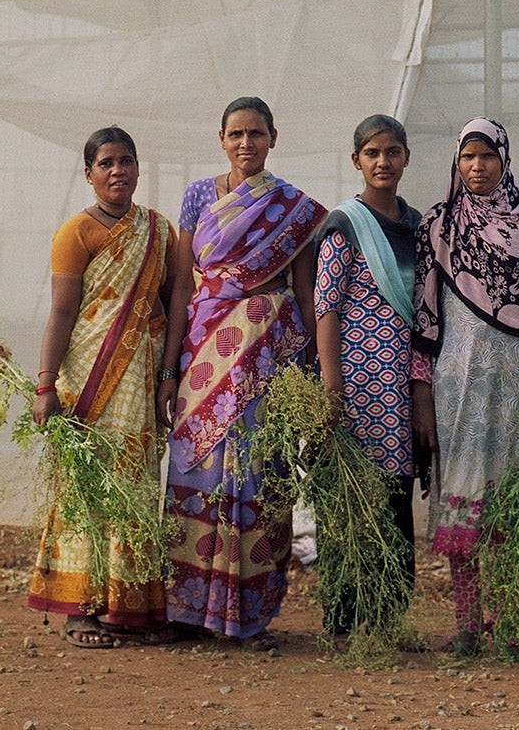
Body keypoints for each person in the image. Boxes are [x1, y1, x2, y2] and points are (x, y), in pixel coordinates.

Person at [155, 96, 327, 650]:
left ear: (273, 138)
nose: (246, 143)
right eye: (236, 134)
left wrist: (310, 374)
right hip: (203, 352)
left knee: (257, 475)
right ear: (221, 138)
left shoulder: (292, 210)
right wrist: (169, 366)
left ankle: (249, 616)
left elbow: (303, 295)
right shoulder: (197, 197)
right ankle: (186, 608)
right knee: (198, 473)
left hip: (266, 357)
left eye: (256, 133)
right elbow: (183, 284)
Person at [27, 126, 178, 648]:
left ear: (139, 169)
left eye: (127, 161)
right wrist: (45, 385)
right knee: (85, 490)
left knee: (135, 489)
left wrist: (167, 377)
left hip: (139, 379)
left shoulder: (160, 232)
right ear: (88, 173)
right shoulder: (75, 233)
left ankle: (131, 612)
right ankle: (79, 611)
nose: (118, 171)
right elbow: (63, 312)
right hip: (87, 379)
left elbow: (169, 306)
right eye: (107, 163)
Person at [412, 117, 519, 655]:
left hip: (516, 382)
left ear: (505, 160)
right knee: (464, 497)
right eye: (467, 157)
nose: (477, 167)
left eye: (487, 157)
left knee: (511, 503)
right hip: (457, 382)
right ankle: (468, 623)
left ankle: (513, 625)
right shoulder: (440, 224)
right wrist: (421, 392)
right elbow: (424, 315)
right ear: (457, 162)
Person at [313, 114, 422, 640]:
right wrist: (331, 391)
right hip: (354, 384)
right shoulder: (344, 224)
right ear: (356, 159)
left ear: (406, 158)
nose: (383, 162)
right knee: (348, 497)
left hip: (401, 384)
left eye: (393, 152)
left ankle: (385, 617)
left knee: (395, 494)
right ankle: (341, 616)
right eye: (373, 153)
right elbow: (326, 308)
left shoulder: (418, 226)